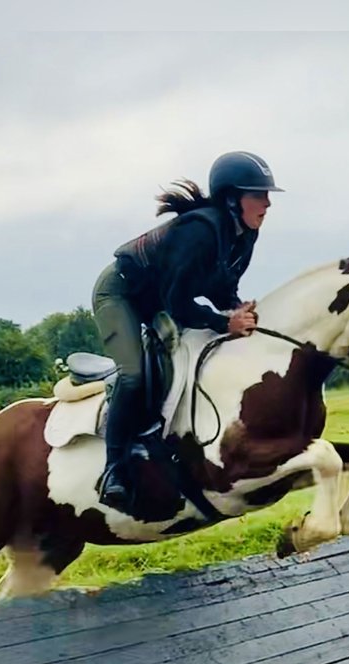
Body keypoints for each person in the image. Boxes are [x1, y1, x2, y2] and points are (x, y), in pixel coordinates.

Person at [91, 150, 282, 514]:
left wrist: (235, 308)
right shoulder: (200, 230)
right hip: (121, 294)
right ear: (231, 198)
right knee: (132, 375)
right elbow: (178, 301)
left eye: (267, 195)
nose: (268, 203)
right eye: (259, 195)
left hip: (157, 298)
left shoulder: (244, 235)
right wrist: (225, 322)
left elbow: (221, 287)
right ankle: (114, 469)